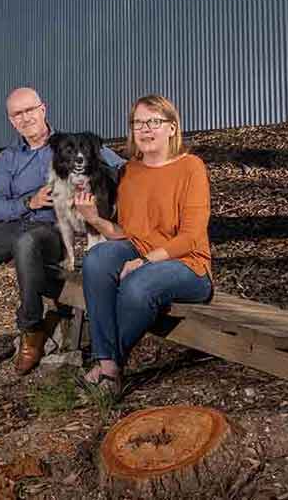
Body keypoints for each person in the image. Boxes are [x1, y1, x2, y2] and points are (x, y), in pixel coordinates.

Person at [0, 87, 124, 383]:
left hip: (54, 229)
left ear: (43, 109)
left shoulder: (72, 143)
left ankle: (31, 329)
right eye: (17, 114)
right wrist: (29, 202)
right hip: (15, 223)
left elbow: (121, 168)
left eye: (30, 110)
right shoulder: (8, 158)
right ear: (11, 121)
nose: (25, 118)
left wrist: (105, 201)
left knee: (27, 243)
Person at [73, 94, 213, 397]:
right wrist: (94, 219)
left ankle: (104, 368)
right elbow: (127, 233)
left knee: (139, 284)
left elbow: (191, 237)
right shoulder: (129, 171)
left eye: (154, 122)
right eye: (138, 123)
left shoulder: (191, 167)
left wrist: (146, 261)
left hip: (188, 265)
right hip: (139, 251)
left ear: (172, 128)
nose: (145, 129)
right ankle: (109, 367)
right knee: (97, 259)